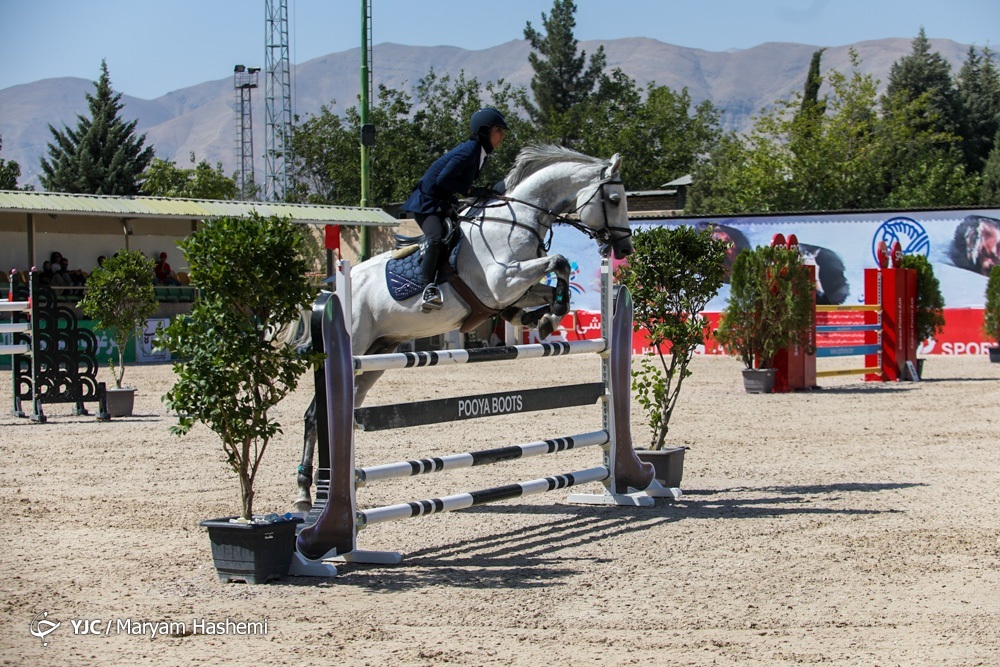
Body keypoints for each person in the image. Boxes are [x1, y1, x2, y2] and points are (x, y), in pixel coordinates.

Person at [400, 107, 509, 311]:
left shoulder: (479, 152)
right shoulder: (469, 152)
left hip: (442, 202)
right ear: (485, 131)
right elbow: (444, 180)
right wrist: (471, 190)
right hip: (427, 204)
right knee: (437, 237)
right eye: (499, 130)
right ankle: (427, 289)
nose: (502, 136)